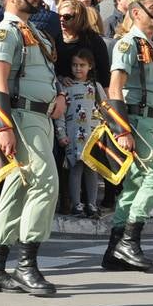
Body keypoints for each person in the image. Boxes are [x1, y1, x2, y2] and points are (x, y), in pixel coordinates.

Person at [0, 0, 66, 297]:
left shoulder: (37, 34)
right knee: (45, 183)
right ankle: (26, 265)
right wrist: (3, 126)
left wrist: (58, 95)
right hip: (21, 117)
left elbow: (47, 74)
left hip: (40, 118)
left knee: (16, 190)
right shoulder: (5, 32)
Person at [100, 0, 153, 271]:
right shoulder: (127, 44)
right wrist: (123, 130)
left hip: (152, 120)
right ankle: (129, 242)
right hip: (135, 121)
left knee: (133, 186)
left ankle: (114, 250)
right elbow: (115, 89)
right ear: (135, 12)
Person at [56, 47, 104, 217]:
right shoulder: (65, 87)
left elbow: (105, 110)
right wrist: (61, 135)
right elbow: (60, 113)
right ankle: (76, 204)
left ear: (90, 66)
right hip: (73, 135)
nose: (77, 68)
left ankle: (91, 204)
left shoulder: (95, 87)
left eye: (82, 65)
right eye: (74, 65)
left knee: (92, 169)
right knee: (75, 168)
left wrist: (106, 133)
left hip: (93, 136)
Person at [53, 0, 109, 86]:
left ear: (78, 18)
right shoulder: (55, 39)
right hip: (61, 91)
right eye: (58, 16)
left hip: (89, 92)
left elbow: (104, 72)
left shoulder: (93, 40)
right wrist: (60, 78)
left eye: (66, 17)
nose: (61, 20)